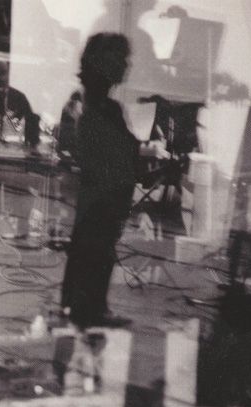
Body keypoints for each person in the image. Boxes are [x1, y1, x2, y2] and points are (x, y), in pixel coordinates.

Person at [61, 32, 167, 327]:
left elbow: (122, 150)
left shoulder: (98, 106)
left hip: (103, 198)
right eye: (120, 59)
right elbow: (118, 153)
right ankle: (89, 311)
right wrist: (142, 153)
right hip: (103, 199)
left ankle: (82, 307)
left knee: (93, 252)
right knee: (96, 253)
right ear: (102, 63)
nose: (126, 65)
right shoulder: (99, 110)